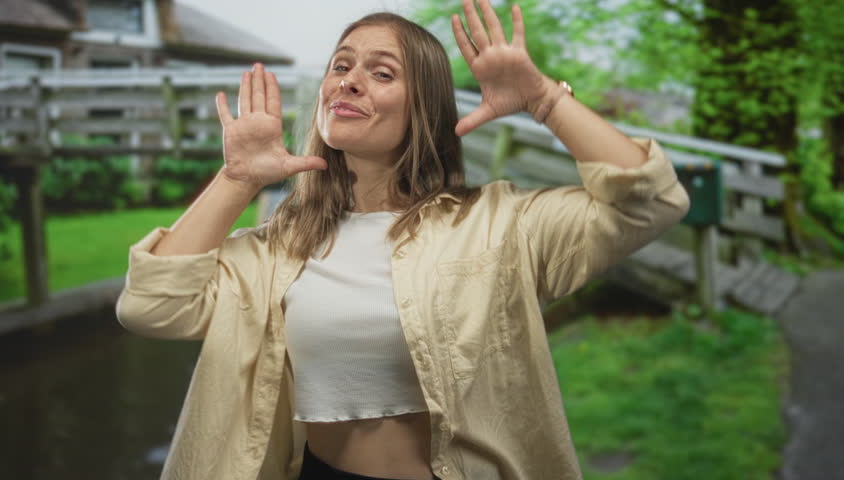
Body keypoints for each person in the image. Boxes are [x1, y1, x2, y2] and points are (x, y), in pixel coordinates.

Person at [116, 0, 690, 479]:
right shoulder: (278, 248)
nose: (349, 80)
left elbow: (653, 200)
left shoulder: (500, 225)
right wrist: (237, 178)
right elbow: (150, 306)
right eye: (342, 65)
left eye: (382, 73)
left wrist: (545, 98)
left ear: (424, 109)